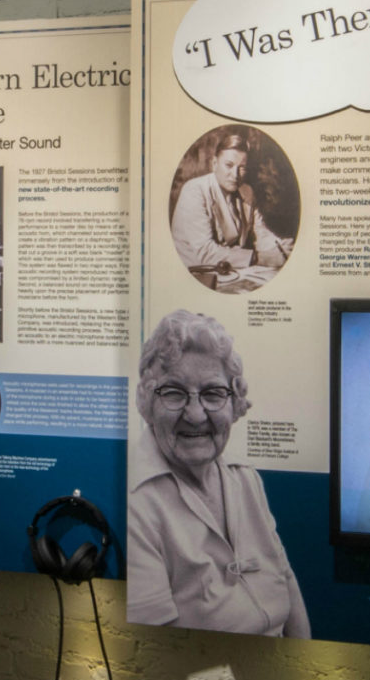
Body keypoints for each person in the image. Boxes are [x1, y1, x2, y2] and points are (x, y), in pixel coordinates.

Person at [127, 310, 311, 639]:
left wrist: (305, 666)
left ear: (235, 402)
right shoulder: (134, 502)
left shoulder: (245, 479)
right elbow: (154, 649)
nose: (196, 415)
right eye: (173, 393)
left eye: (213, 393)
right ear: (147, 402)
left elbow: (286, 581)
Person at [171, 130, 292, 292]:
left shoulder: (246, 191)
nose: (235, 175)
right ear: (214, 163)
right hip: (197, 278)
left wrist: (280, 247)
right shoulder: (194, 190)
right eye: (228, 165)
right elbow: (207, 253)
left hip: (232, 273)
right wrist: (262, 258)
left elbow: (260, 233)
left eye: (242, 168)